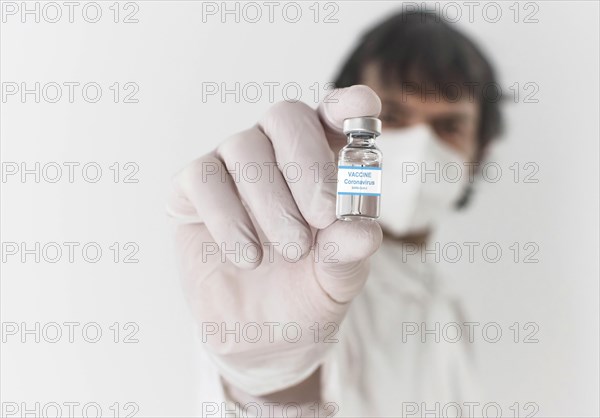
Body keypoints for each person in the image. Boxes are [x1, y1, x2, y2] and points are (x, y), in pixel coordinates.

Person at [168, 10, 502, 417]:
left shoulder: (445, 303)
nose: (420, 147)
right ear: (347, 130)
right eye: (393, 118)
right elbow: (287, 399)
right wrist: (270, 374)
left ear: (479, 152)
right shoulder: (301, 273)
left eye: (449, 126)